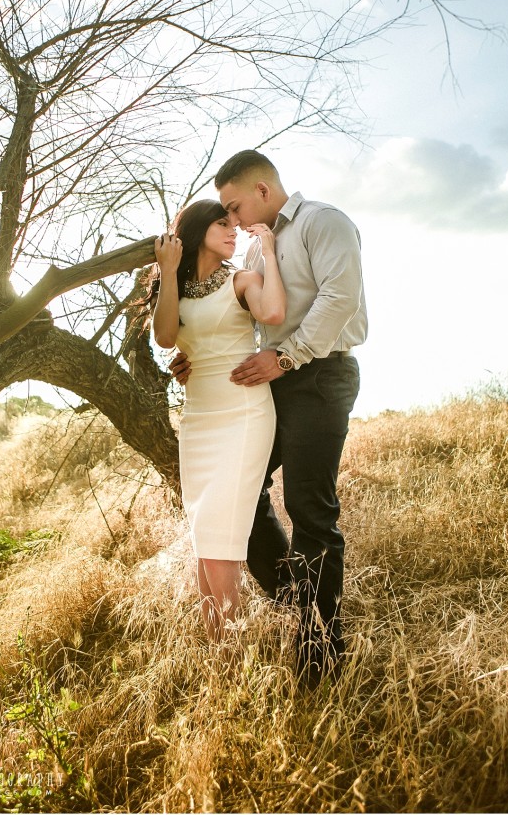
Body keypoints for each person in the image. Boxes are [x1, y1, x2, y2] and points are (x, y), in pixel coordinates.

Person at [171, 150, 367, 684]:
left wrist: (283, 357)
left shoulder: (322, 222)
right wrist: (200, 356)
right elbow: (248, 319)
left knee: (310, 508)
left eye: (232, 206)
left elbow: (340, 299)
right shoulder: (257, 249)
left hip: (320, 377)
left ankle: (319, 657)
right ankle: (295, 604)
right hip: (268, 383)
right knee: (244, 494)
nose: (229, 220)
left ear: (261, 190)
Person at [152, 199, 286, 643]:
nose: (233, 231)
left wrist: (267, 251)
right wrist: (167, 271)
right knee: (204, 537)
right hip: (199, 419)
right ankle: (219, 653)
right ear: (196, 230)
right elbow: (167, 336)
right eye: (222, 224)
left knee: (222, 538)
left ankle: (232, 654)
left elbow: (271, 314)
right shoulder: (176, 284)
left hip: (244, 413)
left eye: (234, 224)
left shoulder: (243, 279)